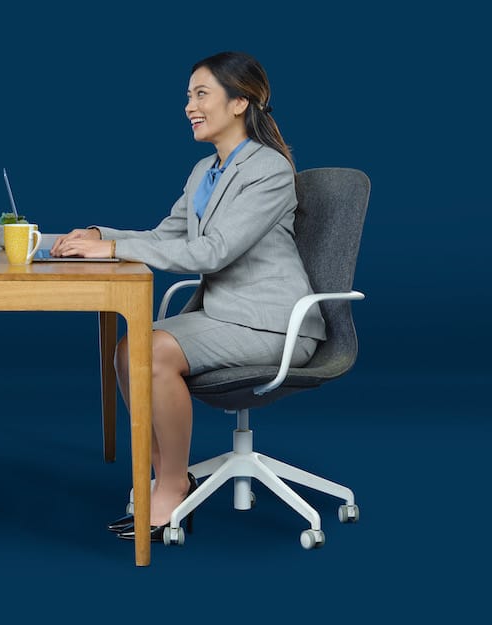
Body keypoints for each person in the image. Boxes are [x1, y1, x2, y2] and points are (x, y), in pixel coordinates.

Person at [49, 51, 326, 541]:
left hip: (273, 324)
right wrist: (97, 233)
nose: (189, 106)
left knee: (151, 351)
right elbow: (167, 236)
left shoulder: (269, 171)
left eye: (202, 94)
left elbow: (213, 252)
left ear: (241, 102)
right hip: (223, 317)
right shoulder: (205, 171)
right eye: (188, 96)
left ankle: (174, 486)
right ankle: (166, 479)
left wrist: (111, 248)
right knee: (126, 351)